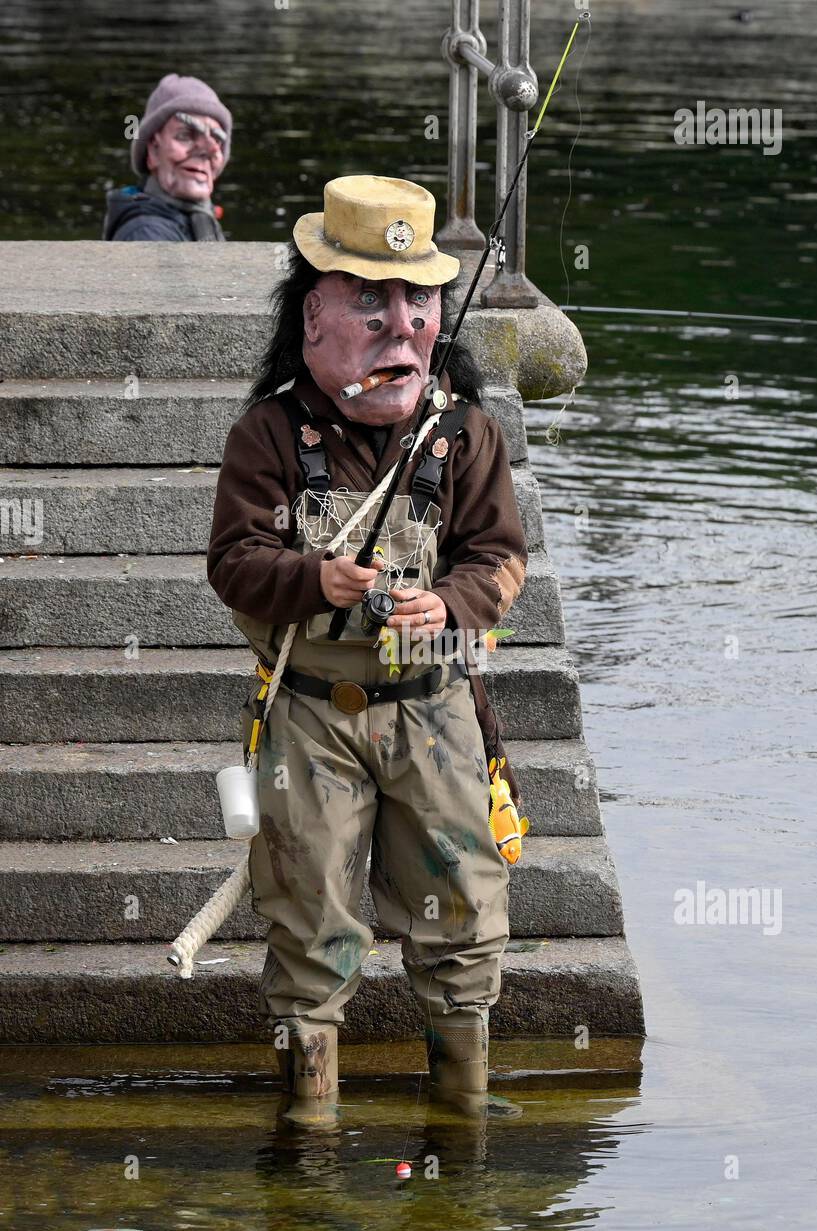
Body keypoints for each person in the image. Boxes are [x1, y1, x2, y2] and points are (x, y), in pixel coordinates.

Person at [207, 175, 528, 1119]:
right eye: (371, 299)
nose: (403, 324)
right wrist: (314, 581)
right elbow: (233, 562)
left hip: (436, 714)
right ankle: (306, 1140)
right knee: (309, 925)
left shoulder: (463, 434)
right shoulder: (268, 435)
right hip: (310, 717)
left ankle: (461, 1122)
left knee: (465, 915)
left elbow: (500, 557)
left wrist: (454, 602)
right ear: (313, 316)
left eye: (419, 298)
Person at [102, 73, 231, 242]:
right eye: (185, 135)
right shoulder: (145, 235)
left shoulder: (200, 219)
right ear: (154, 151)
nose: (210, 149)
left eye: (217, 139)